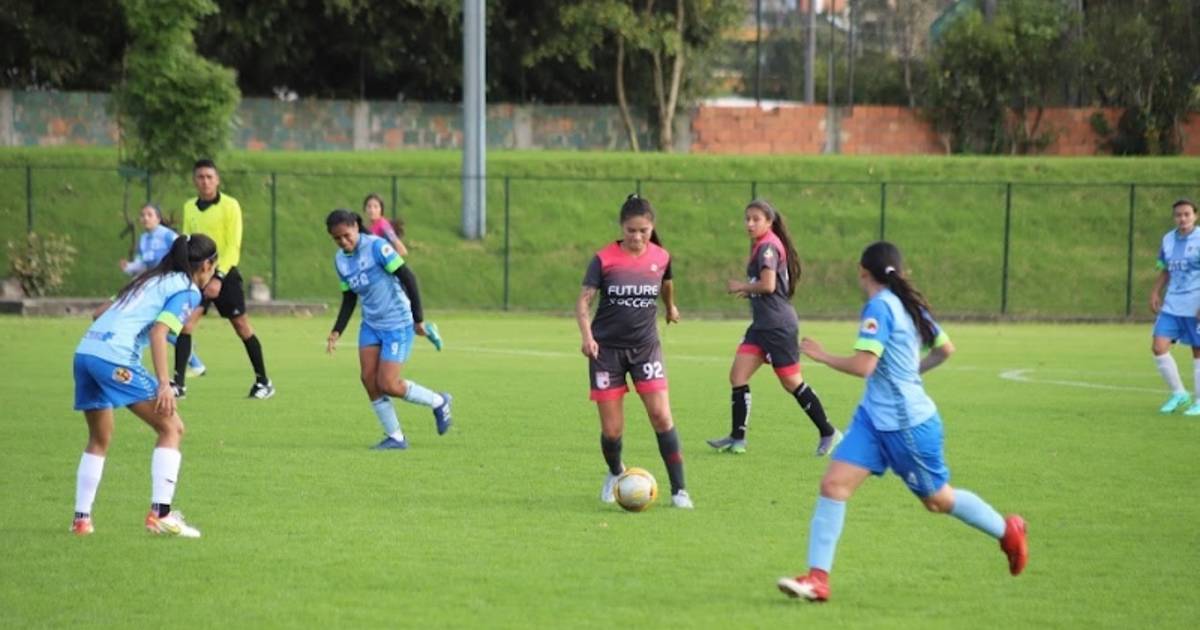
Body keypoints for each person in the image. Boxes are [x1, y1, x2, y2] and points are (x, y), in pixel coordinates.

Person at [776, 241, 1027, 602]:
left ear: (862, 271)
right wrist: (912, 374)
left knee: (938, 500)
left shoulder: (880, 305)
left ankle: (1008, 531)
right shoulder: (910, 304)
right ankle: (818, 580)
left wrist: (821, 355)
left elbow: (864, 366)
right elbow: (945, 349)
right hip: (873, 420)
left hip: (907, 427)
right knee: (833, 485)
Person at [71, 234, 218, 538]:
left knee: (100, 437)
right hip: (114, 360)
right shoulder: (188, 290)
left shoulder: (150, 279)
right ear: (207, 265)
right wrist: (164, 383)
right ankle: (161, 515)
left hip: (86, 353)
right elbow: (159, 332)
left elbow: (98, 313)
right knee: (172, 428)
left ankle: (81, 520)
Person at [575, 194, 692, 509]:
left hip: (645, 349)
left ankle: (679, 490)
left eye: (643, 230)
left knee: (661, 415)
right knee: (612, 430)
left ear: (652, 227)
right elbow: (584, 301)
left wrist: (670, 307)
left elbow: (666, 283)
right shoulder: (604, 259)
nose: (638, 237)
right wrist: (587, 337)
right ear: (621, 228)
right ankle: (615, 472)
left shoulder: (662, 257)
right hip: (606, 351)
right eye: (631, 230)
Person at [707, 200, 839, 456]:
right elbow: (769, 286)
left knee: (792, 383)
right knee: (738, 376)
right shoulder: (762, 245)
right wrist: (751, 293)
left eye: (756, 219)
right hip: (761, 327)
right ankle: (737, 438)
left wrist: (742, 287)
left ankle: (828, 431)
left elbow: (768, 285)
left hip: (778, 327)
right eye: (747, 219)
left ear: (769, 221)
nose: (750, 224)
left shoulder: (767, 246)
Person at [324, 209, 452, 449]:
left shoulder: (377, 248)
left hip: (397, 323)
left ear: (355, 226)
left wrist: (418, 319)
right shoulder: (340, 261)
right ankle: (396, 437)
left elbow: (408, 277)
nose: (343, 241)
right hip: (371, 324)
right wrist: (336, 331)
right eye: (337, 238)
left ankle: (438, 401)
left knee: (388, 384)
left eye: (346, 235)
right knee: (368, 379)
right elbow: (349, 297)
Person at [174, 159, 274, 400]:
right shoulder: (190, 207)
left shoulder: (230, 205)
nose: (205, 181)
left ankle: (263, 382)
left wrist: (218, 276)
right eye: (200, 177)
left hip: (224, 276)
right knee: (186, 325)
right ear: (194, 180)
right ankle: (178, 384)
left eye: (209, 176)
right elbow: (187, 241)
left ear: (217, 180)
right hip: (198, 277)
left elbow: (233, 246)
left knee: (242, 327)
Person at [120, 203, 206, 377]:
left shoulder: (168, 235)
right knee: (161, 327)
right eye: (142, 215)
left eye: (149, 214)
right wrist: (128, 267)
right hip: (154, 285)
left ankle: (193, 360)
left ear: (158, 218)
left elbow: (183, 251)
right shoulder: (143, 239)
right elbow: (143, 264)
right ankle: (194, 360)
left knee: (160, 326)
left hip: (168, 285)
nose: (145, 218)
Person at [362, 193, 443, 350]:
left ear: (381, 210)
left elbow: (400, 248)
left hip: (394, 279)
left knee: (406, 319)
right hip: (382, 282)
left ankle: (427, 330)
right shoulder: (369, 230)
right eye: (369, 206)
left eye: (375, 206)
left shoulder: (383, 226)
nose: (372, 210)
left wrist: (387, 263)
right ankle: (426, 331)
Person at [1149, 198, 1200, 415]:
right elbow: (1166, 269)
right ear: (1174, 217)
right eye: (1178, 215)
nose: (1183, 218)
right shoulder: (1168, 239)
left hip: (1195, 303)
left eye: (1187, 214)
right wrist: (1155, 292)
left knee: (1197, 351)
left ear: (1195, 216)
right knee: (1158, 347)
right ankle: (1179, 393)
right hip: (1172, 303)